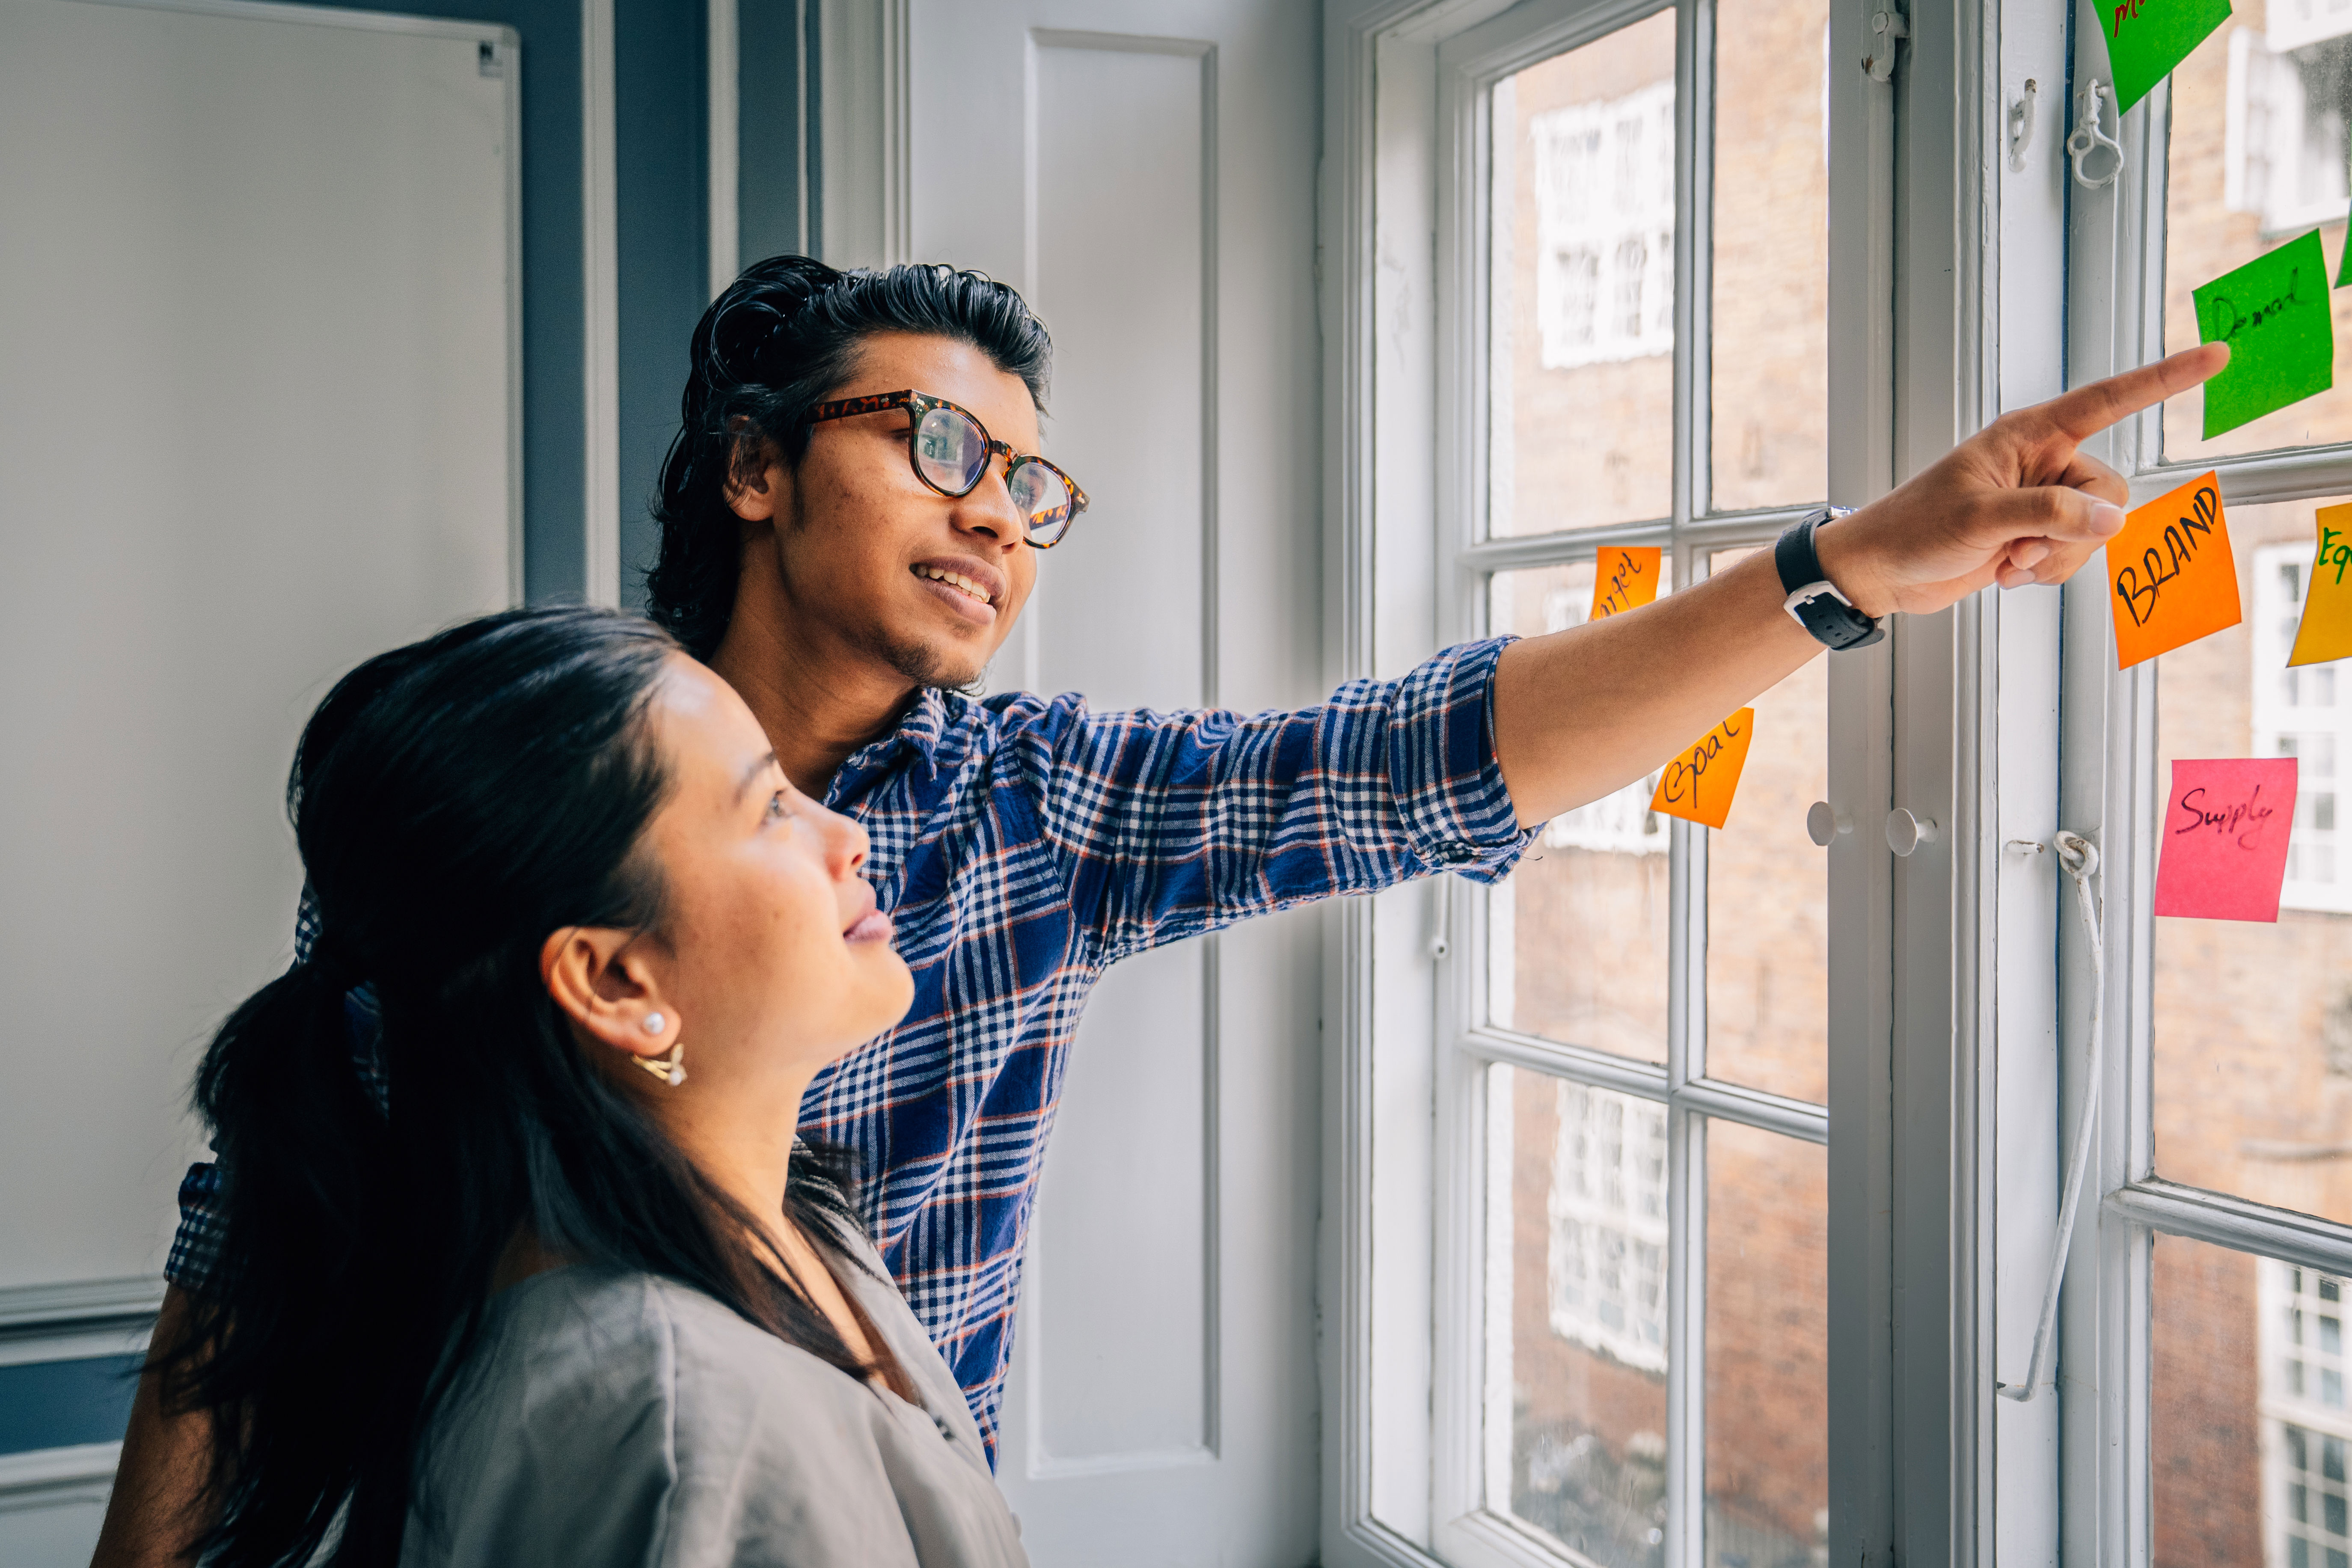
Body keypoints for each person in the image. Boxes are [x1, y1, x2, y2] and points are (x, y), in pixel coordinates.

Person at [94, 255, 2226, 1563]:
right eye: (937, 438)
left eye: (1030, 484)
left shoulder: (1041, 806)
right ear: (750, 468)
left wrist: (1844, 566)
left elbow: (1415, 762)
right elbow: (264, 1242)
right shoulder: (511, 782)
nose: (997, 513)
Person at [145, 605, 1027, 1568]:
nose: (847, 836)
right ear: (614, 981)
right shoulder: (695, 1429)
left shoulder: (803, 1227)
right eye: (770, 805)